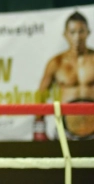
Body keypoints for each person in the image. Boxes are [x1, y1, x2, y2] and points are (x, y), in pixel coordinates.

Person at [35, 11, 94, 140]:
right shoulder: (56, 62)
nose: (77, 37)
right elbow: (41, 95)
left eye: (81, 31)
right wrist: (39, 127)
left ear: (88, 33)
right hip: (66, 132)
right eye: (72, 32)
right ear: (65, 34)